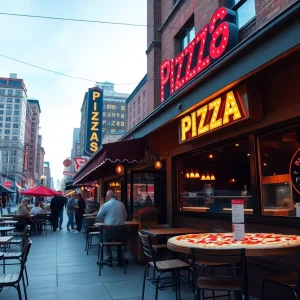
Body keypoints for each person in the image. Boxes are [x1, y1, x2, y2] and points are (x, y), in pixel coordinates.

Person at [97, 190, 127, 266]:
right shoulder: (121, 204)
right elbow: (125, 217)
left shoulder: (106, 205)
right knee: (121, 240)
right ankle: (120, 259)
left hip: (109, 232)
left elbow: (99, 216)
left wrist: (101, 206)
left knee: (103, 237)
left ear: (108, 197)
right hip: (121, 232)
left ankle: (109, 258)